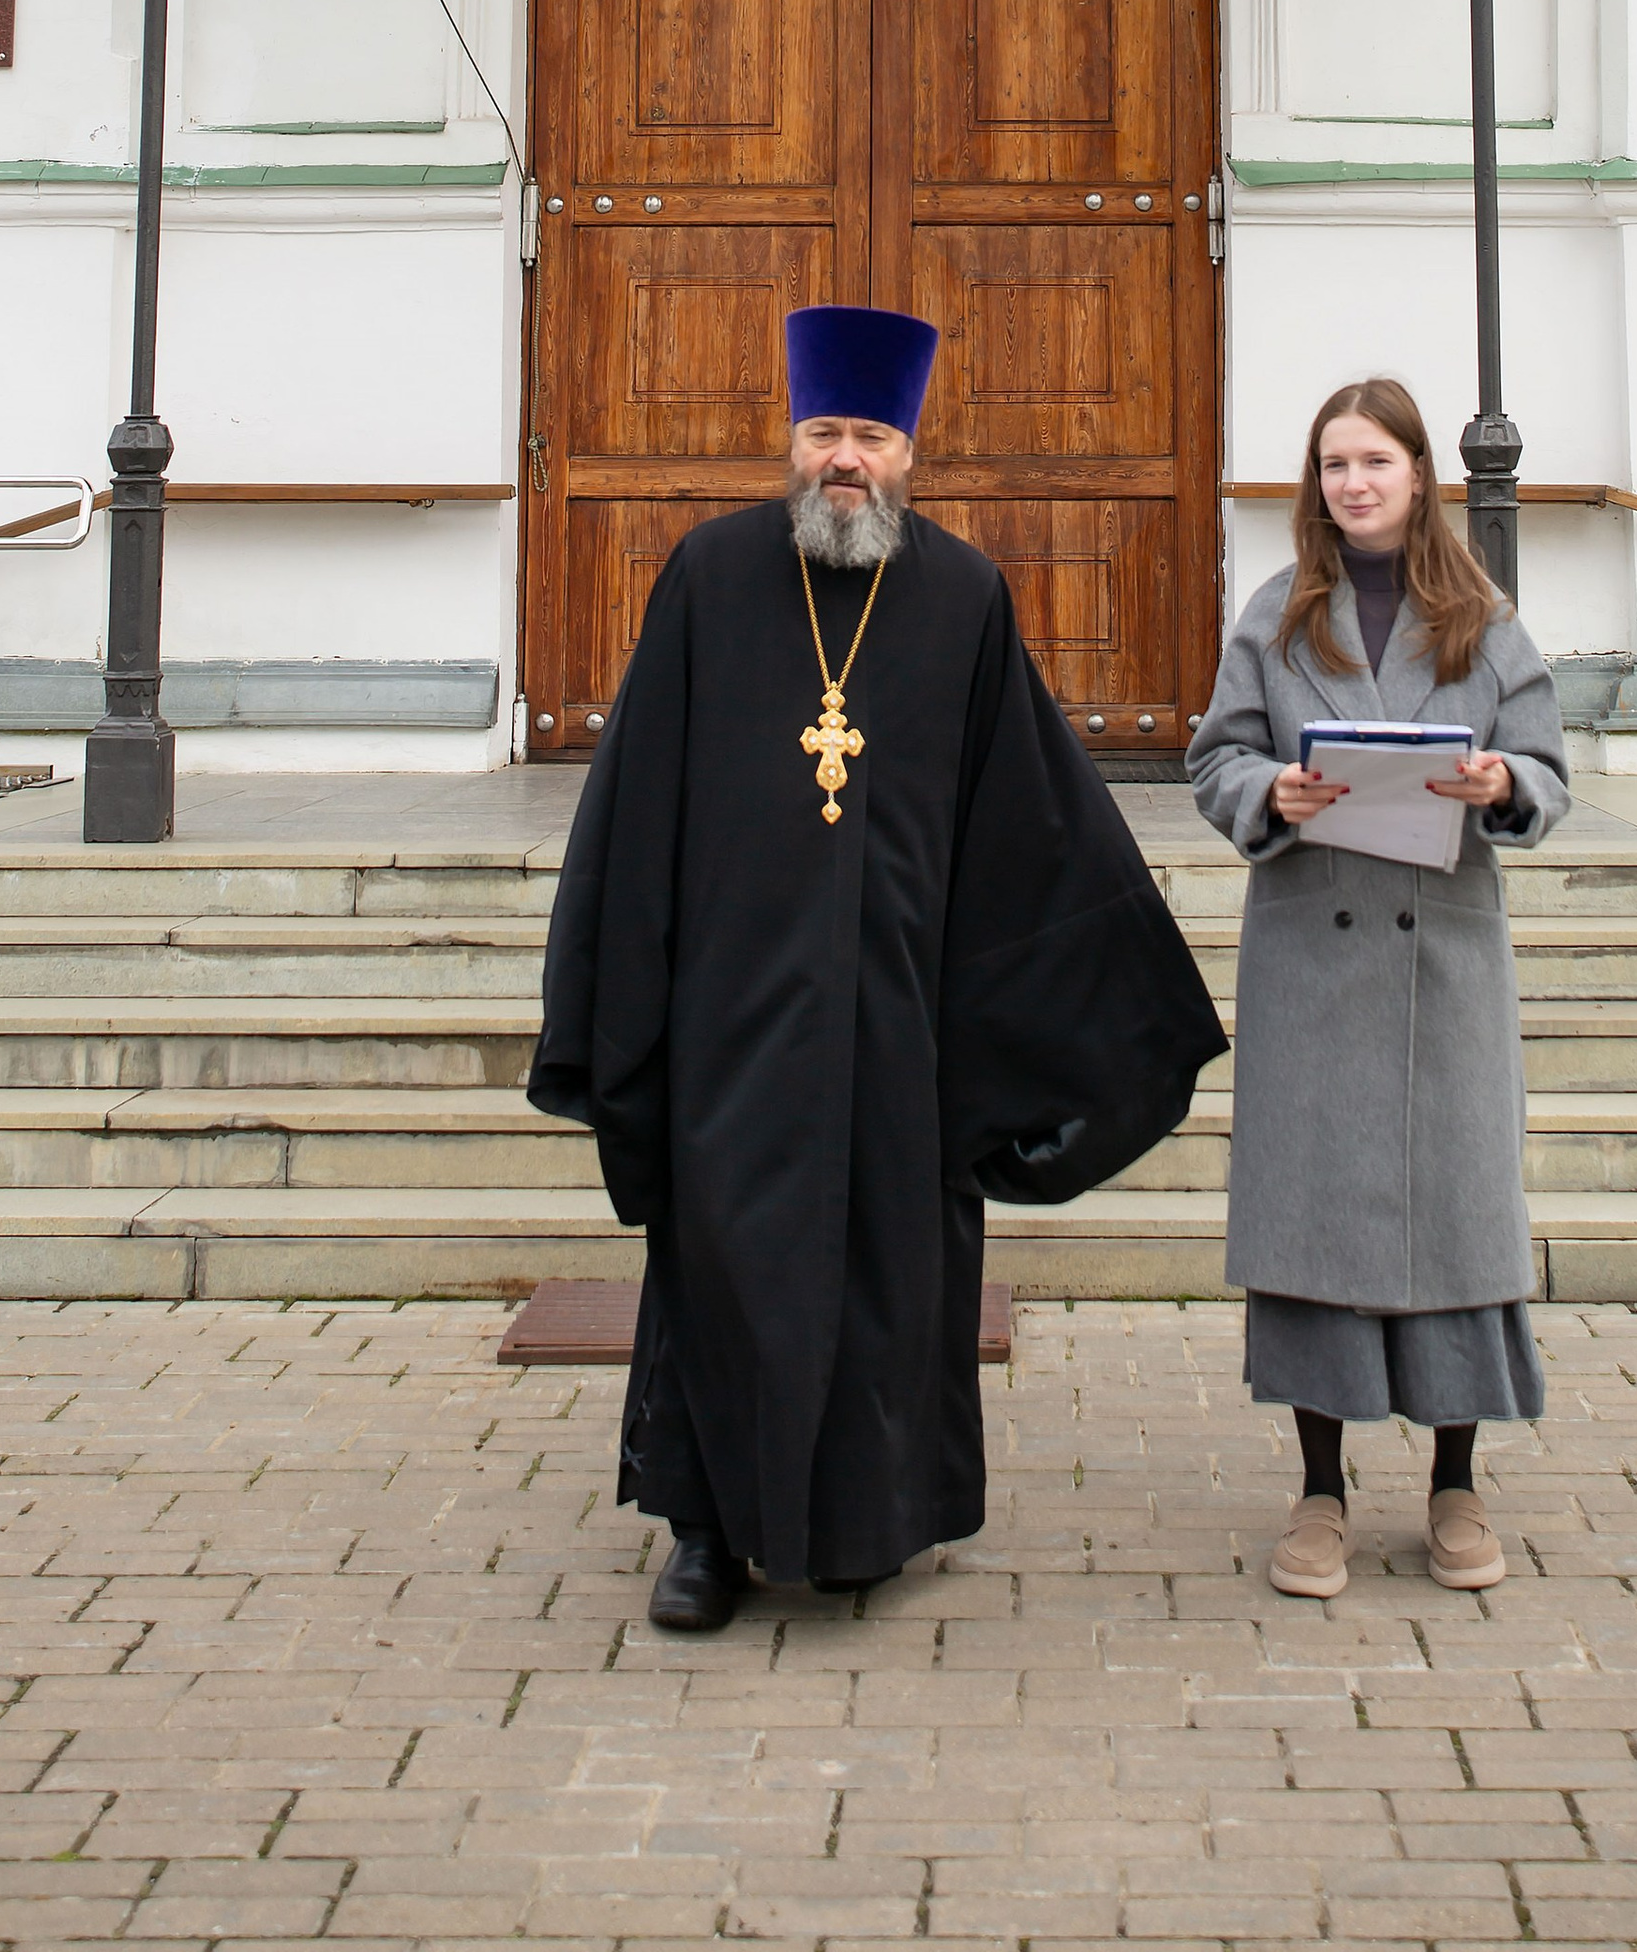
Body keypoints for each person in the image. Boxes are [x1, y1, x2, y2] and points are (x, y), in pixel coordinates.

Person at [531, 302, 1226, 1632]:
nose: (847, 460)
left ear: (913, 452)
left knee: (893, 1272)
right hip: (732, 1009)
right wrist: (628, 999)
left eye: (874, 437)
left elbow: (1027, 809)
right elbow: (637, 803)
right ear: (791, 443)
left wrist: (1109, 1006)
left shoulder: (961, 594)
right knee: (724, 1262)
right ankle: (702, 1532)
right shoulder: (709, 575)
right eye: (826, 432)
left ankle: (869, 1519)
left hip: (903, 1014)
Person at [1187, 374, 1568, 1601]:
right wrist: (1271, 798)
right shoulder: (1277, 615)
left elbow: (1549, 773)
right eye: (1334, 465)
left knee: (1453, 1221)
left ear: (1419, 475)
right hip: (1316, 957)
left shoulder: (1484, 619)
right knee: (1317, 1227)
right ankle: (1318, 1494)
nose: (1353, 484)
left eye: (1375, 463)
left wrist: (1501, 783)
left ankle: (1455, 1487)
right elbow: (1218, 756)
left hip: (1442, 959)